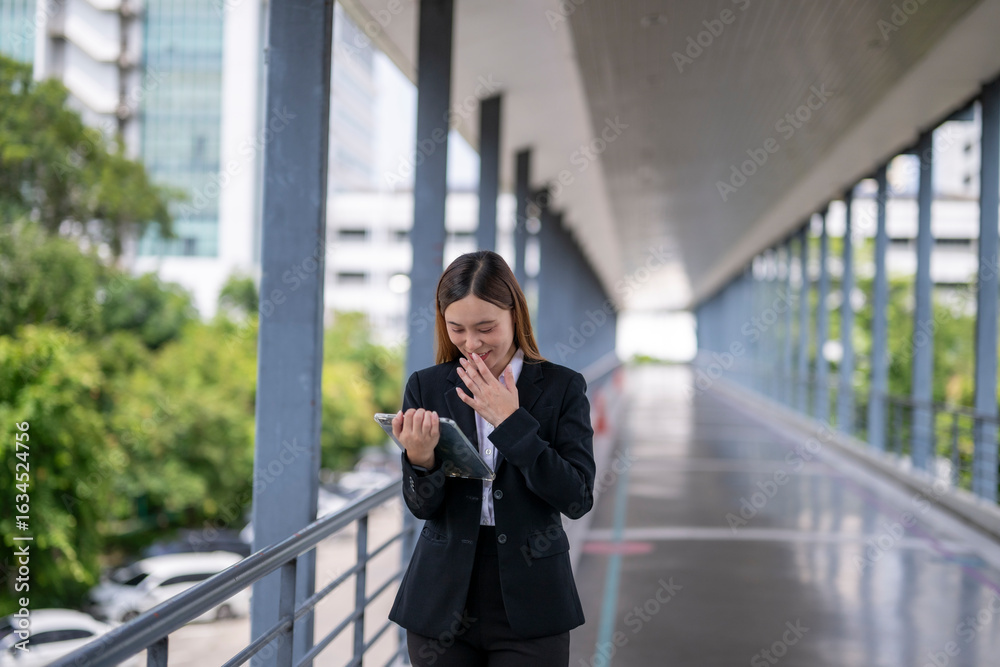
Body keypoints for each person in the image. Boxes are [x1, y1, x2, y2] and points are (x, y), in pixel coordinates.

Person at [388, 250, 596, 666]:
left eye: (486, 328)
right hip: (441, 598)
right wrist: (421, 460)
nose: (472, 343)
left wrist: (511, 422)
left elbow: (576, 498)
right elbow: (423, 508)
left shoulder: (562, 388)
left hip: (533, 598)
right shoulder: (427, 386)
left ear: (515, 314)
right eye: (457, 329)